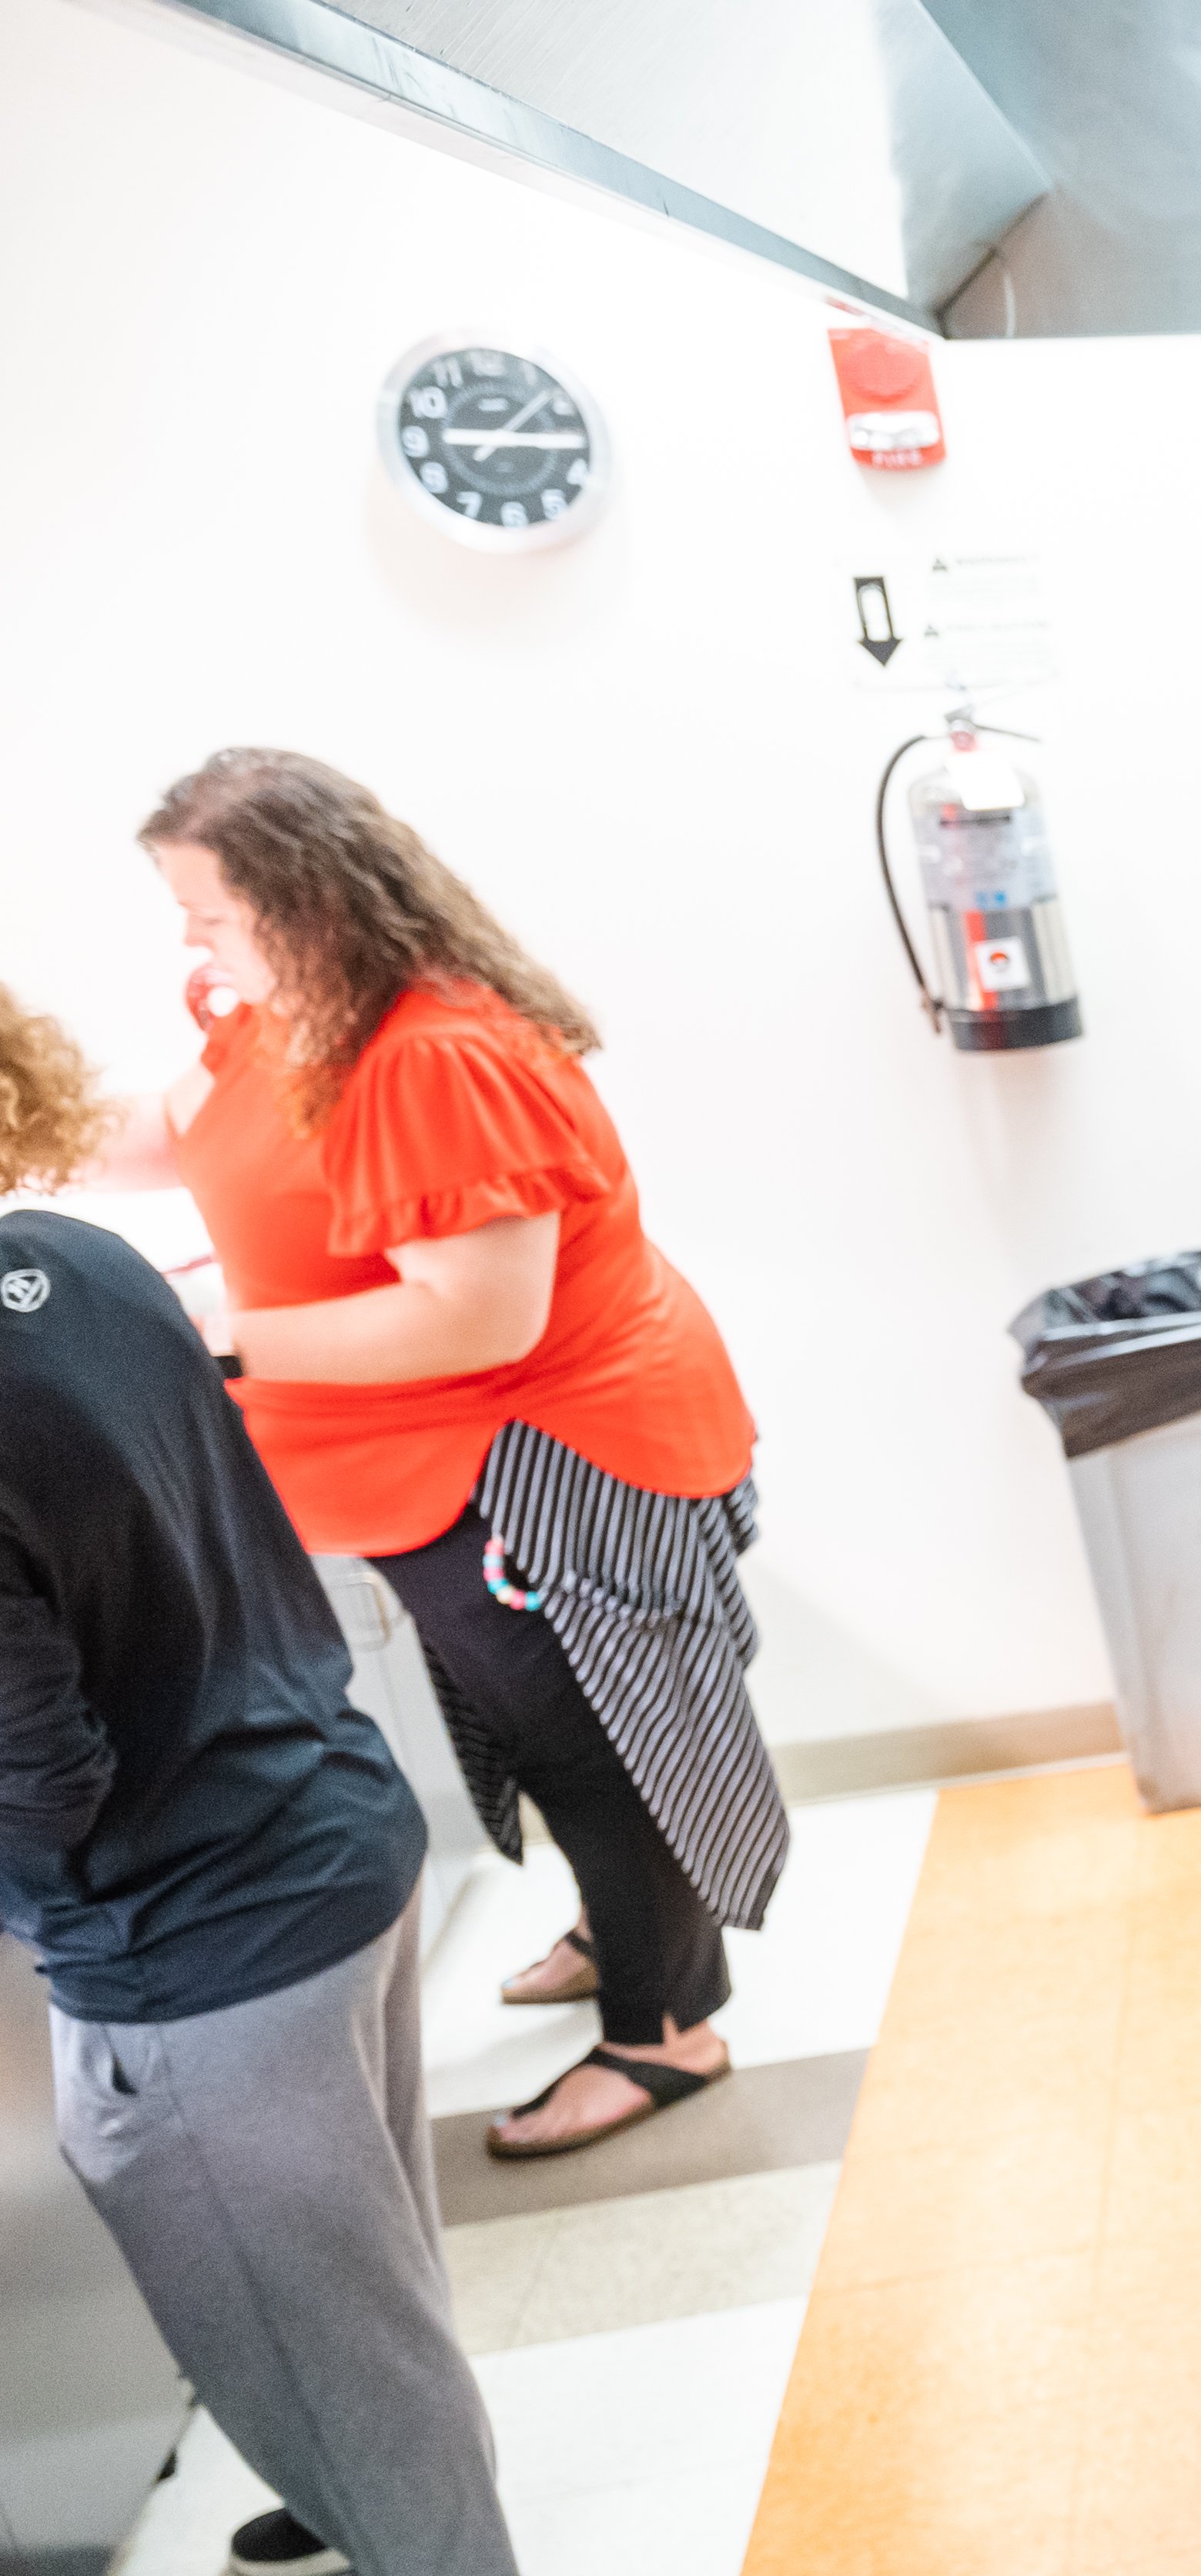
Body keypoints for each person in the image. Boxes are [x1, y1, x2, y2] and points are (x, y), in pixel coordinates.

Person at [0, 983, 538, 2576]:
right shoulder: (77, 1258)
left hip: (203, 1942)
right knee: (357, 2267)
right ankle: (353, 2487)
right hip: (331, 1823)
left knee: (297, 2294)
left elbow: (41, 1784)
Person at [92, 751, 782, 2159]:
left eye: (204, 912)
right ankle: (623, 1926)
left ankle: (670, 2035)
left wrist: (215, 1325)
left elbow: (475, 1316)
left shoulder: (430, 1054)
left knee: (598, 1744)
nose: (188, 942)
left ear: (300, 900)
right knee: (540, 1728)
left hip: (544, 1459)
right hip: (427, 1471)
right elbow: (184, 1129)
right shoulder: (299, 1018)